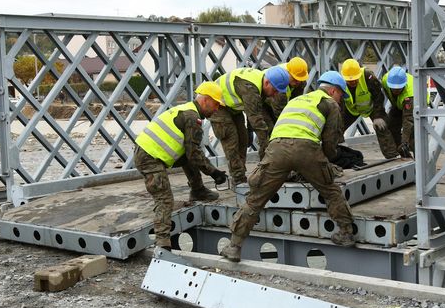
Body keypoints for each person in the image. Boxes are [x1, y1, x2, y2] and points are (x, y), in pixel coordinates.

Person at [220, 71, 357, 262]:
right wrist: (331, 161)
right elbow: (329, 141)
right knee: (330, 191)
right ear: (333, 91)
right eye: (341, 94)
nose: (341, 99)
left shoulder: (296, 101)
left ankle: (234, 247)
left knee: (255, 199)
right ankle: (345, 232)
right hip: (307, 149)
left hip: (276, 149)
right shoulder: (330, 103)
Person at [133, 82, 228, 249]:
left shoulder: (186, 109)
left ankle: (198, 190)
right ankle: (162, 241)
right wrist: (214, 173)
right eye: (216, 104)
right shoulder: (192, 118)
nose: (217, 109)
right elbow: (195, 153)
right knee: (165, 198)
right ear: (205, 100)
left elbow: (189, 154)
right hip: (149, 157)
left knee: (187, 157)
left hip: (147, 151)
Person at [210, 66, 290, 185]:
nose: (275, 94)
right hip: (215, 104)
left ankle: (240, 174)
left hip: (231, 107)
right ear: (267, 83)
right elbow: (256, 119)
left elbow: (254, 111)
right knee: (232, 141)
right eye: (275, 90)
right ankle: (238, 178)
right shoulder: (250, 88)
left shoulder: (261, 84)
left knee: (243, 138)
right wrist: (266, 146)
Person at [340, 58, 399, 159]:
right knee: (337, 129)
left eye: (355, 78)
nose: (353, 81)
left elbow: (378, 95)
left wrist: (378, 115)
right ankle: (337, 154)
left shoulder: (368, 76)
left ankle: (392, 155)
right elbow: (338, 101)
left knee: (382, 126)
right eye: (350, 80)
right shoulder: (340, 81)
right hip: (351, 110)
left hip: (371, 107)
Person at [381, 66, 414, 159]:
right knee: (391, 126)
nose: (395, 91)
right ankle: (404, 154)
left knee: (412, 134)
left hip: (415, 106)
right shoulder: (385, 80)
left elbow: (408, 120)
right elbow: (387, 93)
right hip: (398, 104)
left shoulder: (410, 92)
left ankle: (419, 162)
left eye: (398, 89)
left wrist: (405, 142)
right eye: (393, 88)